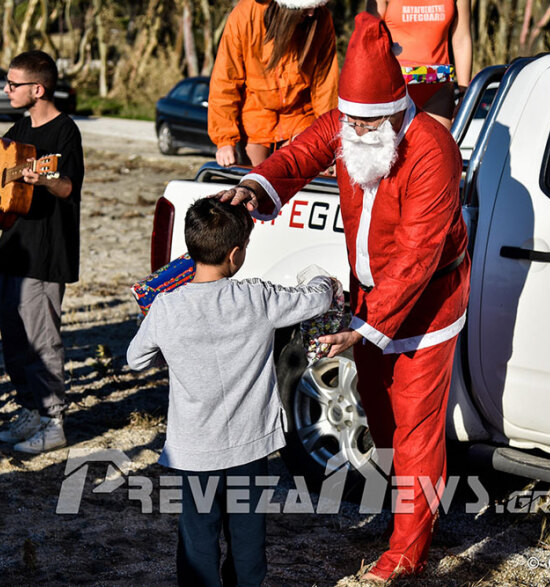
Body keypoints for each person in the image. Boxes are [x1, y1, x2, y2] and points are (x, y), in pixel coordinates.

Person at [215, 12, 469, 583]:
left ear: (395, 111)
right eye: (348, 123)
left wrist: (364, 324)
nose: (353, 135)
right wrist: (255, 189)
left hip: (428, 301)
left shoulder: (432, 150)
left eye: (365, 125)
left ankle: (408, 550)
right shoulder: (348, 122)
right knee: (379, 418)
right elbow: (299, 155)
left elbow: (416, 255)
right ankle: (406, 511)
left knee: (415, 425)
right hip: (370, 300)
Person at [127, 197, 335, 586]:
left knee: (198, 542)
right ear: (235, 254)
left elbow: (136, 359)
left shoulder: (167, 308)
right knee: (247, 541)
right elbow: (316, 299)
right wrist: (324, 279)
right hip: (249, 445)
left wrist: (173, 353)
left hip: (194, 450)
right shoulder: (256, 297)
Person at [0, 50, 84, 455]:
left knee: (43, 341)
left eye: (12, 84)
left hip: (46, 253)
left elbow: (69, 186)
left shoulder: (66, 131)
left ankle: (53, 422)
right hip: (11, 251)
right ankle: (29, 410)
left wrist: (46, 179)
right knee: (14, 339)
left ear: (37, 89)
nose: (5, 90)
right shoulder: (20, 126)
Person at [209, 0, 339, 167]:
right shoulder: (245, 15)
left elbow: (326, 87)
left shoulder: (321, 19)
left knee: (294, 180)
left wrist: (330, 142)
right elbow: (226, 80)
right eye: (307, 6)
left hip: (300, 120)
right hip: (254, 121)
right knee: (255, 183)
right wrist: (225, 141)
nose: (312, 13)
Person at [367, 0, 472, 130]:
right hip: (394, 90)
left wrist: (465, 94)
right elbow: (370, 37)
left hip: (438, 91)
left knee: (437, 148)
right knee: (394, 149)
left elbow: (461, 40)